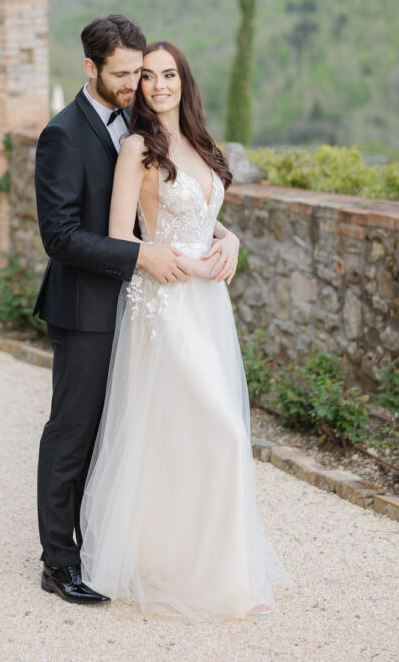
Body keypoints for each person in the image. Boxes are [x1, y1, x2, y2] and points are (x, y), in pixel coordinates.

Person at [34, 16, 242, 605]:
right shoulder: (62, 134)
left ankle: (118, 549)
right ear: (91, 68)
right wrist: (143, 256)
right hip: (86, 308)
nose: (135, 84)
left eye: (141, 73)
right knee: (74, 432)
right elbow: (60, 237)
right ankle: (59, 562)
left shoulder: (139, 121)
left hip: (146, 305)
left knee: (130, 434)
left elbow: (172, 200)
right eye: (124, 74)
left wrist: (227, 235)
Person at [79, 40, 290, 620]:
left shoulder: (200, 143)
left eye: (168, 74)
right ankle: (201, 572)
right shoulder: (136, 148)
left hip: (208, 308)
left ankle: (214, 572)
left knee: (190, 435)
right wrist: (190, 264)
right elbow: (120, 236)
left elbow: (202, 213)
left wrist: (230, 238)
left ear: (183, 80)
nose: (158, 85)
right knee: (223, 431)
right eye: (147, 76)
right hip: (165, 304)